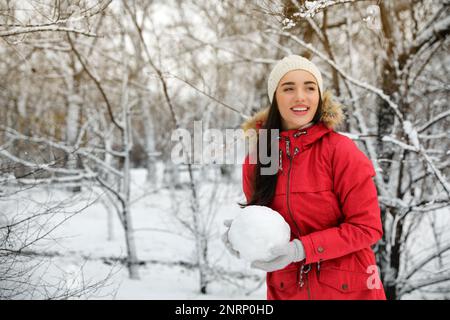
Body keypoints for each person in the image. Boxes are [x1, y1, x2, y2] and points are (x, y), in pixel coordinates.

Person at [222, 55, 386, 300]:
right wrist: (242, 238)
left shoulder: (340, 151)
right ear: (275, 98)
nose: (300, 96)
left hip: (349, 290)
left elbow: (366, 228)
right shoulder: (260, 157)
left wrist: (301, 249)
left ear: (319, 96)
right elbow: (262, 221)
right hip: (287, 290)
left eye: (310, 88)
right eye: (288, 88)